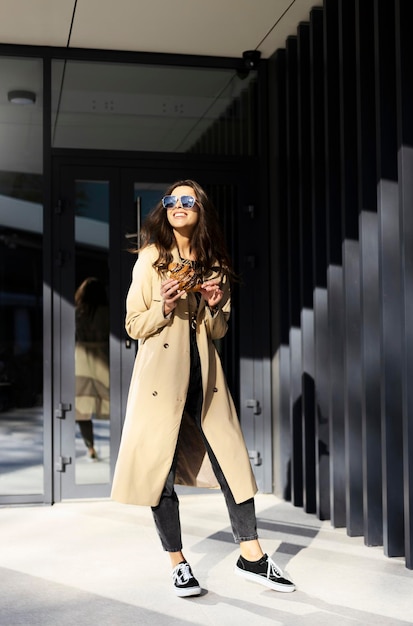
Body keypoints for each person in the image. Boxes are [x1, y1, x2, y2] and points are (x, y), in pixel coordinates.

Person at [111, 180, 295, 596]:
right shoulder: (151, 259)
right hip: (161, 382)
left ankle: (253, 556)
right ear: (165, 210)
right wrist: (165, 306)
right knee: (160, 472)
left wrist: (213, 306)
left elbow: (218, 330)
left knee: (232, 462)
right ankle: (177, 562)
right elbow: (132, 324)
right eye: (171, 200)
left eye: (187, 200)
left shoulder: (214, 266)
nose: (178, 205)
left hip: (205, 380)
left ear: (200, 210)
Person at [75, 276, 110, 460]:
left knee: (82, 407)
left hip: (81, 358)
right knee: (114, 403)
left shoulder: (77, 312)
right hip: (103, 356)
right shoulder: (108, 312)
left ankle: (90, 447)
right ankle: (119, 446)